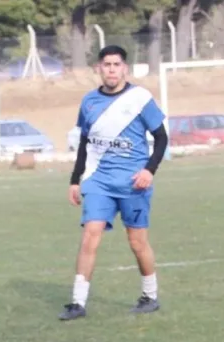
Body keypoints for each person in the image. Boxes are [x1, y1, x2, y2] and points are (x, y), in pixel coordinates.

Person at [60, 44, 169, 321]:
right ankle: (77, 302)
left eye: (116, 65)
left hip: (134, 183)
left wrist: (149, 170)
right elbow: (85, 143)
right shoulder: (89, 102)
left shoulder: (140, 99)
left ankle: (150, 295)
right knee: (90, 235)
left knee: (137, 243)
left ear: (125, 68)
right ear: (99, 68)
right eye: (106, 65)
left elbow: (161, 138)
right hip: (99, 182)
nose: (111, 69)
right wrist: (75, 180)